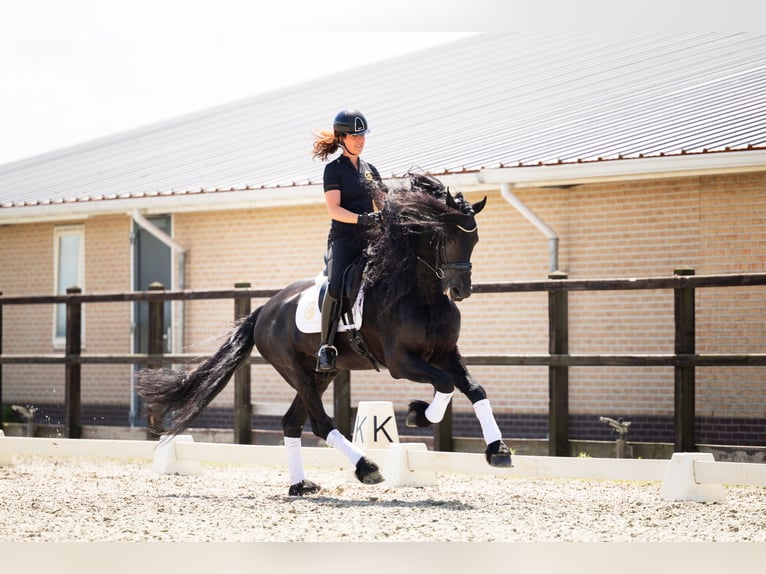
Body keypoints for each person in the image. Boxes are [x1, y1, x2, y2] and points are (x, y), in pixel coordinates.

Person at [311, 108, 383, 372]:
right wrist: (364, 219)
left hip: (371, 238)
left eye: (362, 135)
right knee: (337, 283)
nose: (360, 140)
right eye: (354, 136)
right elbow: (335, 210)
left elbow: (383, 203)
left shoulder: (371, 170)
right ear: (341, 138)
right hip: (344, 239)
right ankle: (326, 346)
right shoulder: (334, 170)